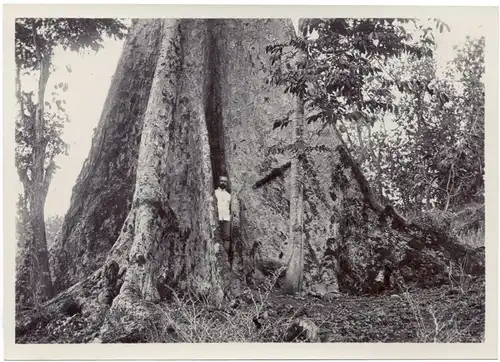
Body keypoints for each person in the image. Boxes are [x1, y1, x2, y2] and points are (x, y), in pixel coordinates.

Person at [215, 175, 231, 254]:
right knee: (216, 237)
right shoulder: (214, 193)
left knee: (226, 238)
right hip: (217, 218)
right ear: (218, 181)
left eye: (225, 181)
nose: (223, 183)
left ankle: (225, 255)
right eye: (221, 181)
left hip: (226, 219)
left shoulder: (229, 195)